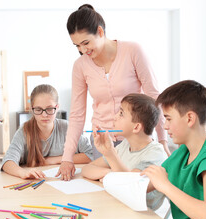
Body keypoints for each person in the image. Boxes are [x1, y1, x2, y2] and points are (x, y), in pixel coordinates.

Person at [59, 4, 170, 181]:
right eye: (77, 45)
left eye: (86, 43)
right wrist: (67, 157)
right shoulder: (80, 66)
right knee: (106, 191)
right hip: (103, 142)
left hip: (136, 140)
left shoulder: (133, 51)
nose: (82, 50)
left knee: (134, 188)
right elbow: (77, 114)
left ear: (100, 32)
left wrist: (163, 140)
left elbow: (154, 97)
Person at [142, 80, 206, 219]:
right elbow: (148, 183)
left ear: (190, 118)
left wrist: (165, 185)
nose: (165, 126)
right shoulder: (181, 153)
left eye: (168, 119)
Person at [82, 93, 166, 210]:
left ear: (136, 127)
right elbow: (87, 169)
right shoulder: (125, 145)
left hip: (144, 215)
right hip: (121, 206)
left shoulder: (155, 153)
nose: (115, 117)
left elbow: (128, 186)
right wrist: (111, 174)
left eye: (121, 114)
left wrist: (110, 155)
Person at [2, 84, 92, 179]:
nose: (44, 115)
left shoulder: (67, 128)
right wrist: (22, 172)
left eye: (49, 109)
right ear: (32, 109)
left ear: (57, 107)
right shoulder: (24, 131)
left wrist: (52, 160)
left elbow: (90, 155)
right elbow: (7, 161)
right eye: (38, 109)